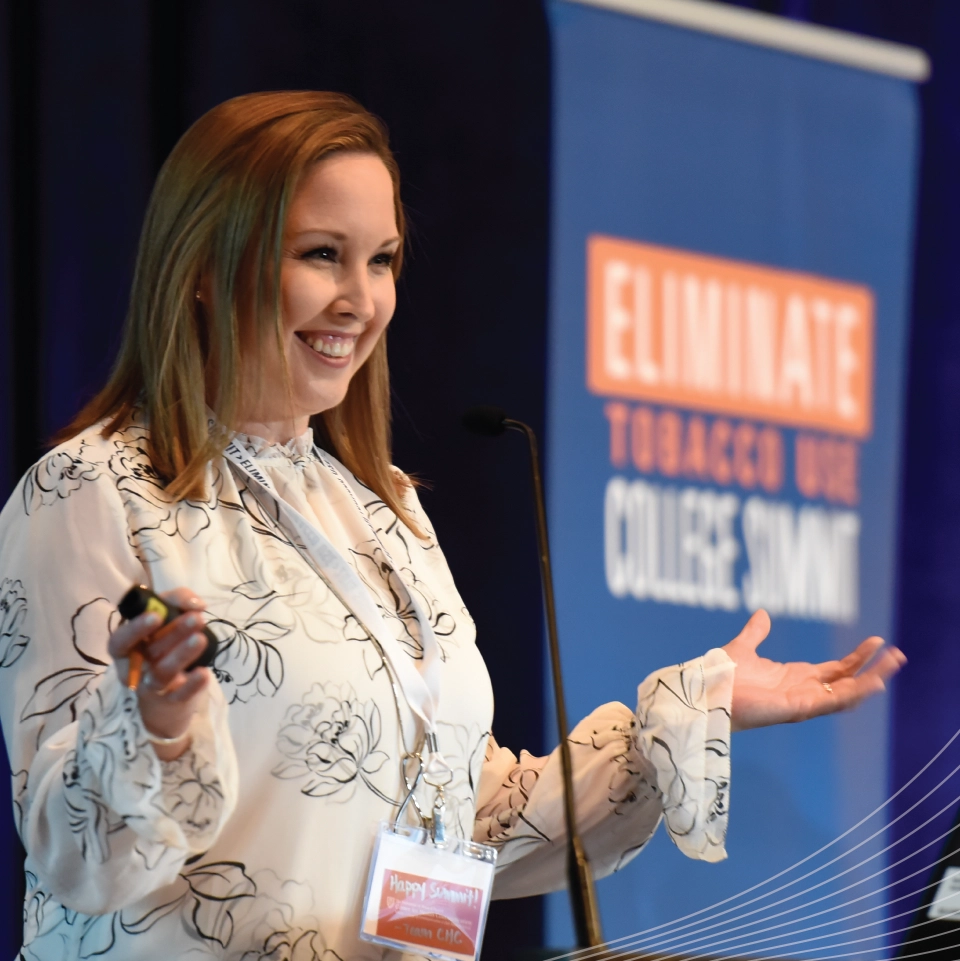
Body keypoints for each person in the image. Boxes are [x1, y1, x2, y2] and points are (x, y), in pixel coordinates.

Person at [0, 91, 903, 961]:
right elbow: (76, 856)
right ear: (203, 267)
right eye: (322, 254)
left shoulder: (383, 508)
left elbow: (463, 817)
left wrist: (695, 709)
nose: (361, 300)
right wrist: (151, 725)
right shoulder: (92, 493)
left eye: (382, 260)